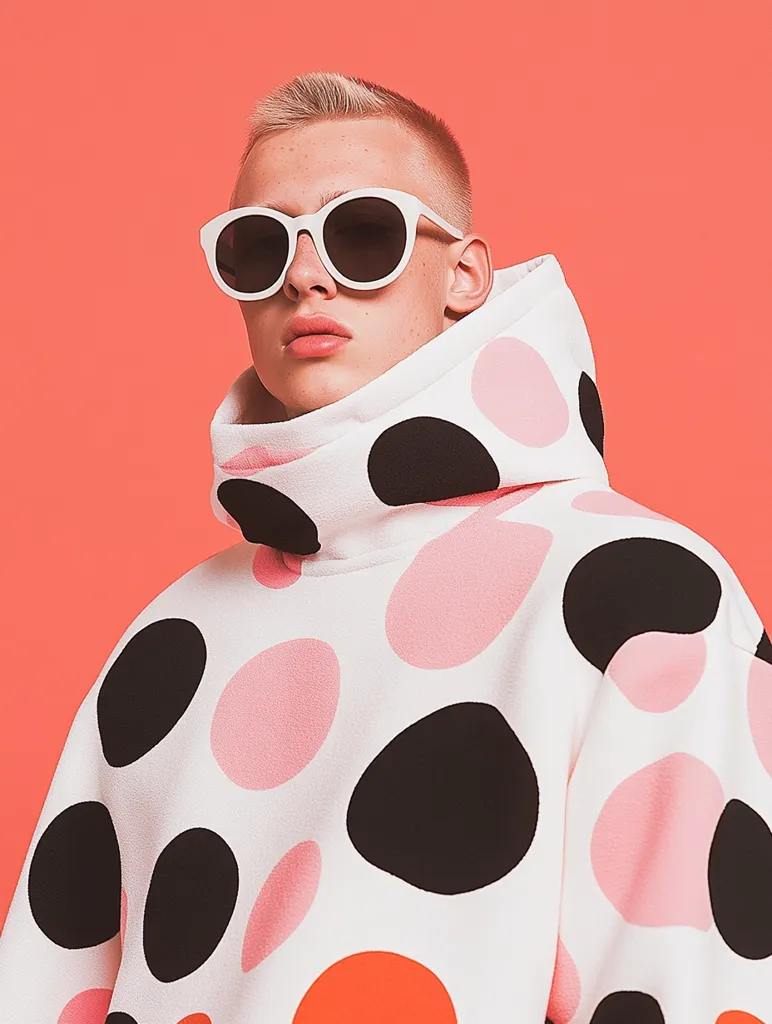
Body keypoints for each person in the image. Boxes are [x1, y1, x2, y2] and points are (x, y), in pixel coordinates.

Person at [0, 70, 770, 1024]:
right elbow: (47, 986)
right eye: (257, 246)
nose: (305, 275)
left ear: (466, 275)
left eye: (364, 233)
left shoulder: (638, 592)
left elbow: (692, 987)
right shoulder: (175, 631)